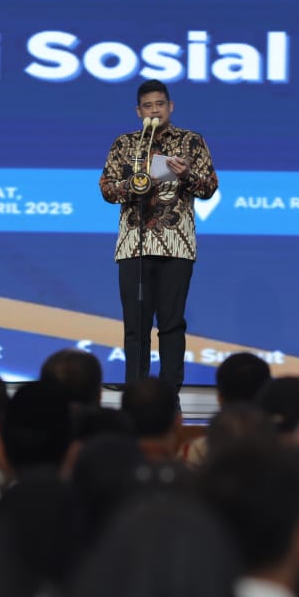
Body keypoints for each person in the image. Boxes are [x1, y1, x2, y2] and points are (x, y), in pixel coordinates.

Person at [99, 79, 218, 387]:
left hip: (177, 245)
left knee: (172, 324)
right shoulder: (124, 144)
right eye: (148, 106)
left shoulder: (192, 141)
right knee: (135, 326)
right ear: (139, 111)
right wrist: (137, 182)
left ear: (171, 106)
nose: (155, 111)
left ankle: (169, 395)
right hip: (134, 246)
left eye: (160, 104)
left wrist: (186, 175)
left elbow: (209, 187)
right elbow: (107, 190)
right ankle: (135, 392)